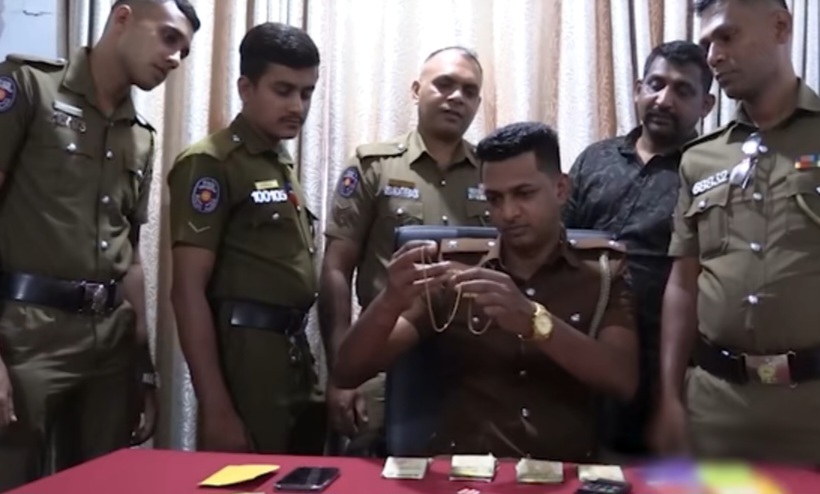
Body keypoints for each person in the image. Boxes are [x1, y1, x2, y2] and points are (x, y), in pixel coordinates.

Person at [332, 122, 639, 461]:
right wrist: (389, 302)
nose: (508, 213)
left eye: (524, 194)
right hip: (466, 472)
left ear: (561, 189)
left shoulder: (603, 272)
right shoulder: (455, 272)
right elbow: (348, 371)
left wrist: (535, 322)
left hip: (565, 471)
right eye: (494, 198)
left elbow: (622, 381)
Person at [0, 0, 199, 490]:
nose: (176, 58)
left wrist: (144, 369)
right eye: (169, 38)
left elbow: (130, 256)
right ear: (123, 18)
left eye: (185, 51)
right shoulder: (30, 86)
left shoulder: (141, 137)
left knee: (104, 484)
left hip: (111, 343)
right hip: (26, 335)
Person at [652, 0, 820, 463]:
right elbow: (683, 283)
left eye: (726, 36)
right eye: (707, 43)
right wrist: (669, 395)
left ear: (781, 27)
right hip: (715, 409)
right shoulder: (700, 158)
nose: (713, 56)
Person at [319, 46, 486, 456]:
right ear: (416, 90)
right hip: (382, 361)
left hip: (468, 367)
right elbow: (337, 268)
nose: (456, 97)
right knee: (369, 472)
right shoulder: (374, 165)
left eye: (469, 91)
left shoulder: (492, 174)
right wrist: (341, 373)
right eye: (444, 84)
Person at [168, 22, 325, 455]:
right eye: (283, 90)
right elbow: (186, 291)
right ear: (246, 88)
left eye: (307, 92)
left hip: (293, 352)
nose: (297, 106)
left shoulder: (277, 161)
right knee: (248, 477)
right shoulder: (211, 162)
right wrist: (216, 408)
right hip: (246, 357)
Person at [564, 40, 715, 456]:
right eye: (656, 84)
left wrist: (673, 395)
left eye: (682, 90)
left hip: (664, 370)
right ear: (637, 90)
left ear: (706, 105)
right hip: (578, 355)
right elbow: (558, 246)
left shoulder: (709, 174)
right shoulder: (594, 160)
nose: (664, 99)